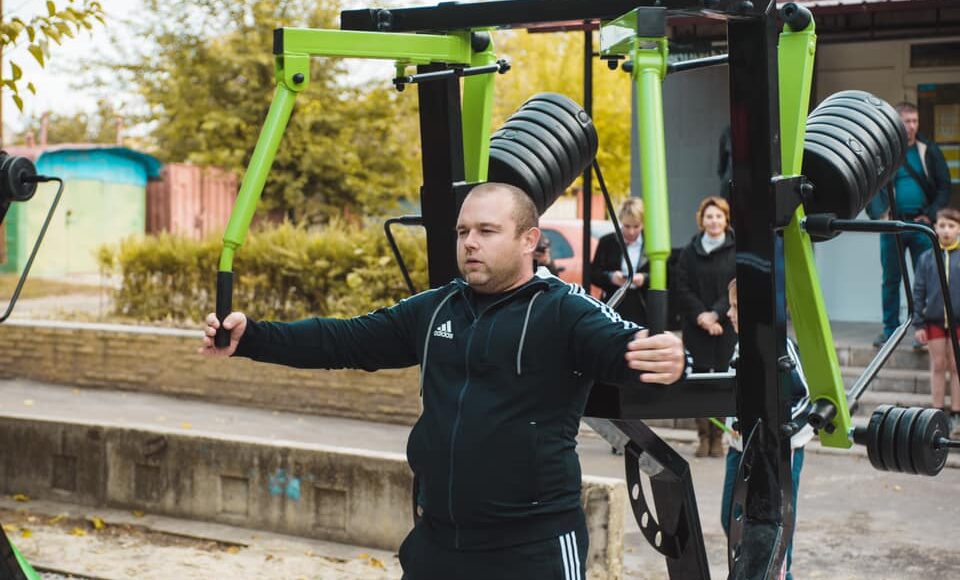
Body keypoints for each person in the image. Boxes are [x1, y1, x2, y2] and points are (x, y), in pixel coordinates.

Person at [200, 182, 689, 580]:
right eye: (462, 232)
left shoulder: (563, 309)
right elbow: (342, 341)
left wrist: (665, 355)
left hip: (532, 548)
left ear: (527, 240)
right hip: (439, 542)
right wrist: (252, 338)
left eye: (486, 231)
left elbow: (623, 346)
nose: (470, 242)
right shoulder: (436, 308)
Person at [721, 278, 812, 580]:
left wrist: (776, 434)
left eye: (735, 308)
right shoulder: (740, 345)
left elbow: (805, 398)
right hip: (741, 451)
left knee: (776, 532)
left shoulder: (781, 346)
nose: (728, 314)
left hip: (779, 455)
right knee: (730, 518)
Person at [866, 101, 952, 348]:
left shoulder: (929, 149)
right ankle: (889, 330)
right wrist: (881, 215)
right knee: (891, 279)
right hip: (892, 226)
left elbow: (944, 185)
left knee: (925, 280)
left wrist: (932, 214)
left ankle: (922, 332)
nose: (912, 126)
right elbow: (870, 185)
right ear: (896, 123)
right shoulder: (883, 152)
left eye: (915, 121)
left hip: (920, 226)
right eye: (907, 121)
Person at [675, 195, 737, 457]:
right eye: (709, 216)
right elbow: (681, 286)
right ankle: (703, 437)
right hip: (696, 327)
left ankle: (718, 438)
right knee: (698, 381)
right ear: (702, 220)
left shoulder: (736, 250)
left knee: (723, 381)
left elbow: (735, 286)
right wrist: (702, 315)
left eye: (718, 216)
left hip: (725, 326)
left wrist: (716, 314)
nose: (713, 221)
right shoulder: (689, 252)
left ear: (725, 220)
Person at [913, 208, 960, 437]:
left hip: (958, 321)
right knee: (938, 365)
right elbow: (918, 291)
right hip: (933, 320)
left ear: (959, 229)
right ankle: (938, 413)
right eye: (942, 226)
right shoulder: (927, 257)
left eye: (951, 226)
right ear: (935, 228)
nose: (946, 231)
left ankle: (956, 415)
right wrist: (918, 324)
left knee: (956, 367)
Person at [591, 197, 648, 324]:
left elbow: (667, 276)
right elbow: (593, 273)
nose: (631, 231)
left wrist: (644, 279)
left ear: (643, 223)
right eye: (627, 226)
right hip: (614, 301)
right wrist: (611, 277)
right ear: (620, 221)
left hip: (642, 306)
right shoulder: (607, 242)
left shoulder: (651, 244)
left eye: (636, 226)